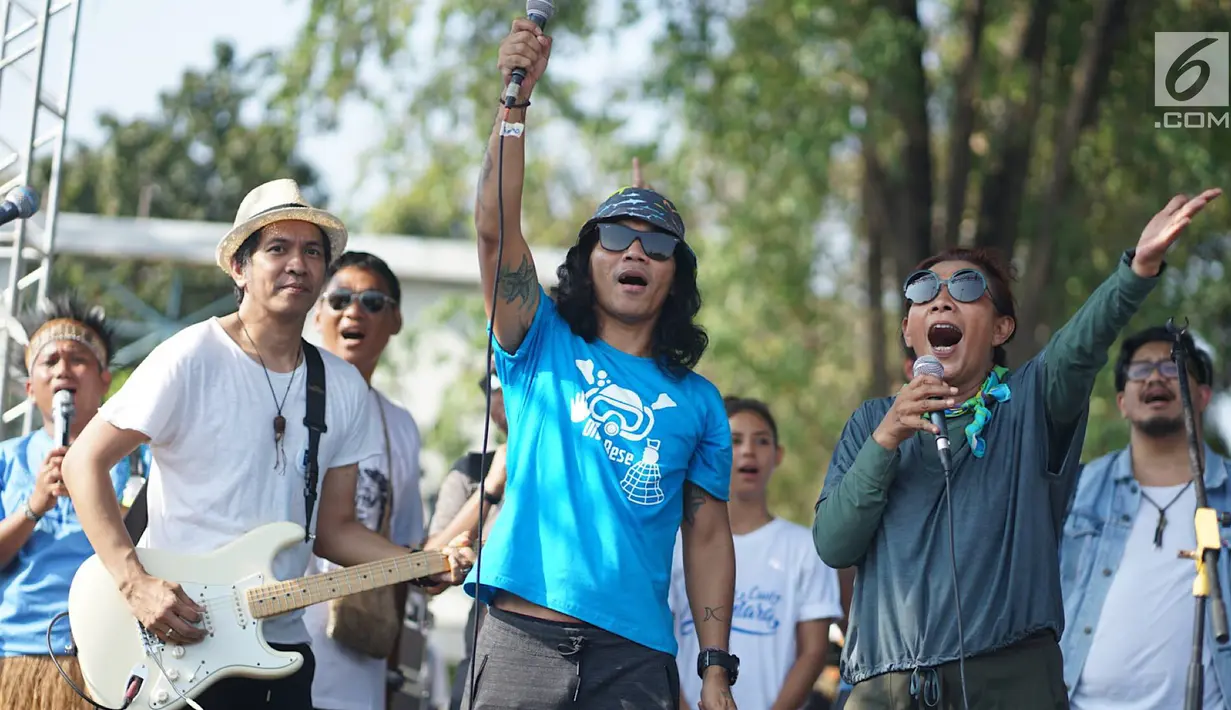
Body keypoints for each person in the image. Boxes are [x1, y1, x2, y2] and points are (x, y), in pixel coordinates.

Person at [61, 179, 473, 709]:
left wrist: (422, 562)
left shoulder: (342, 388)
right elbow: (83, 464)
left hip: (283, 650)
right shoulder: (190, 357)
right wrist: (134, 583)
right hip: (179, 642)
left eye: (312, 252)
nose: (297, 263)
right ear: (240, 267)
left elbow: (335, 531)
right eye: (277, 248)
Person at [812, 188, 1222, 708]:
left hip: (1010, 686)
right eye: (923, 291)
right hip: (884, 690)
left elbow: (1080, 346)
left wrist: (1136, 270)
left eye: (966, 286)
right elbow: (833, 545)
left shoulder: (1029, 402)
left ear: (1002, 327)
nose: (941, 299)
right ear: (907, 329)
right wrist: (886, 440)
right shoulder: (870, 422)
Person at [459, 18, 739, 710]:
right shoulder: (541, 343)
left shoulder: (700, 402)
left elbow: (706, 535)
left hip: (636, 657)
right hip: (519, 636)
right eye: (615, 236)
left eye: (657, 244)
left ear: (676, 276)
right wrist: (514, 101)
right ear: (587, 261)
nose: (635, 252)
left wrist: (712, 672)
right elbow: (496, 228)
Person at [1060, 326, 1231, 708]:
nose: (1155, 376)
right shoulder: (1079, 489)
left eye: (1172, 367)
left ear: (1202, 396)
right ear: (1122, 401)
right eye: (1141, 370)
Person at [303, 250, 444, 710]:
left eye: (372, 301)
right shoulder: (279, 396)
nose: (354, 311)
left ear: (396, 319)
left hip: (357, 668)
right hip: (271, 651)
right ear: (318, 310)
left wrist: (397, 673)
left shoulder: (399, 426)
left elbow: (402, 554)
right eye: (340, 298)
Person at [0, 295, 150, 708]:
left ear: (105, 379)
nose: (63, 369)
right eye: (49, 362)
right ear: (30, 389)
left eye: (78, 359)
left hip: (118, 653)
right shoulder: (7, 460)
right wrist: (32, 508)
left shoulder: (141, 458)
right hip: (20, 654)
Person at [671, 396, 843, 710]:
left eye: (761, 441)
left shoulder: (805, 547)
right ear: (714, 451)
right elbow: (660, 640)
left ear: (778, 455)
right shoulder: (675, 546)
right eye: (735, 440)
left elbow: (813, 651)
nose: (748, 450)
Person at [426, 367, 507, 710]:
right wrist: (490, 488)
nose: (501, 396)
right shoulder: (472, 470)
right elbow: (429, 569)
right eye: (490, 386)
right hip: (486, 655)